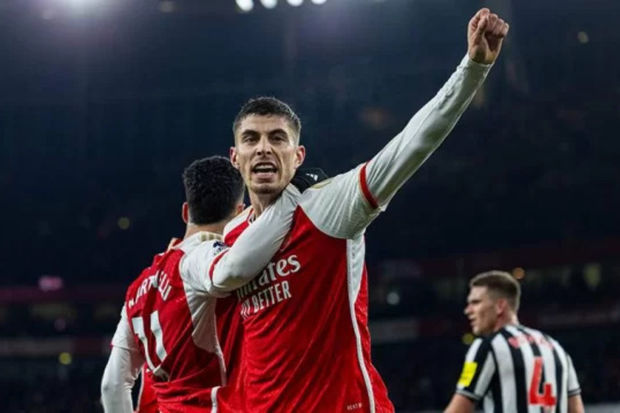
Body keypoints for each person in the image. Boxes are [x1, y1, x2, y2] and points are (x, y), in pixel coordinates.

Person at [219, 7, 510, 412]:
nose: (264, 148)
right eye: (251, 139)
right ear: (235, 157)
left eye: (278, 138)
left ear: (298, 156)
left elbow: (411, 145)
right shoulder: (231, 238)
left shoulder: (328, 206)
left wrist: (473, 69)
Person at [100, 156, 302, 412]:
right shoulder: (200, 255)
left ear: (186, 212)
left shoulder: (138, 288)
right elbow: (231, 270)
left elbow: (112, 385)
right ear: (239, 212)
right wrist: (291, 197)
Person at [444, 271, 585, 413]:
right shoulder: (557, 348)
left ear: (500, 306)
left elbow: (459, 408)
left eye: (475, 302)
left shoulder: (487, 347)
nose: (467, 310)